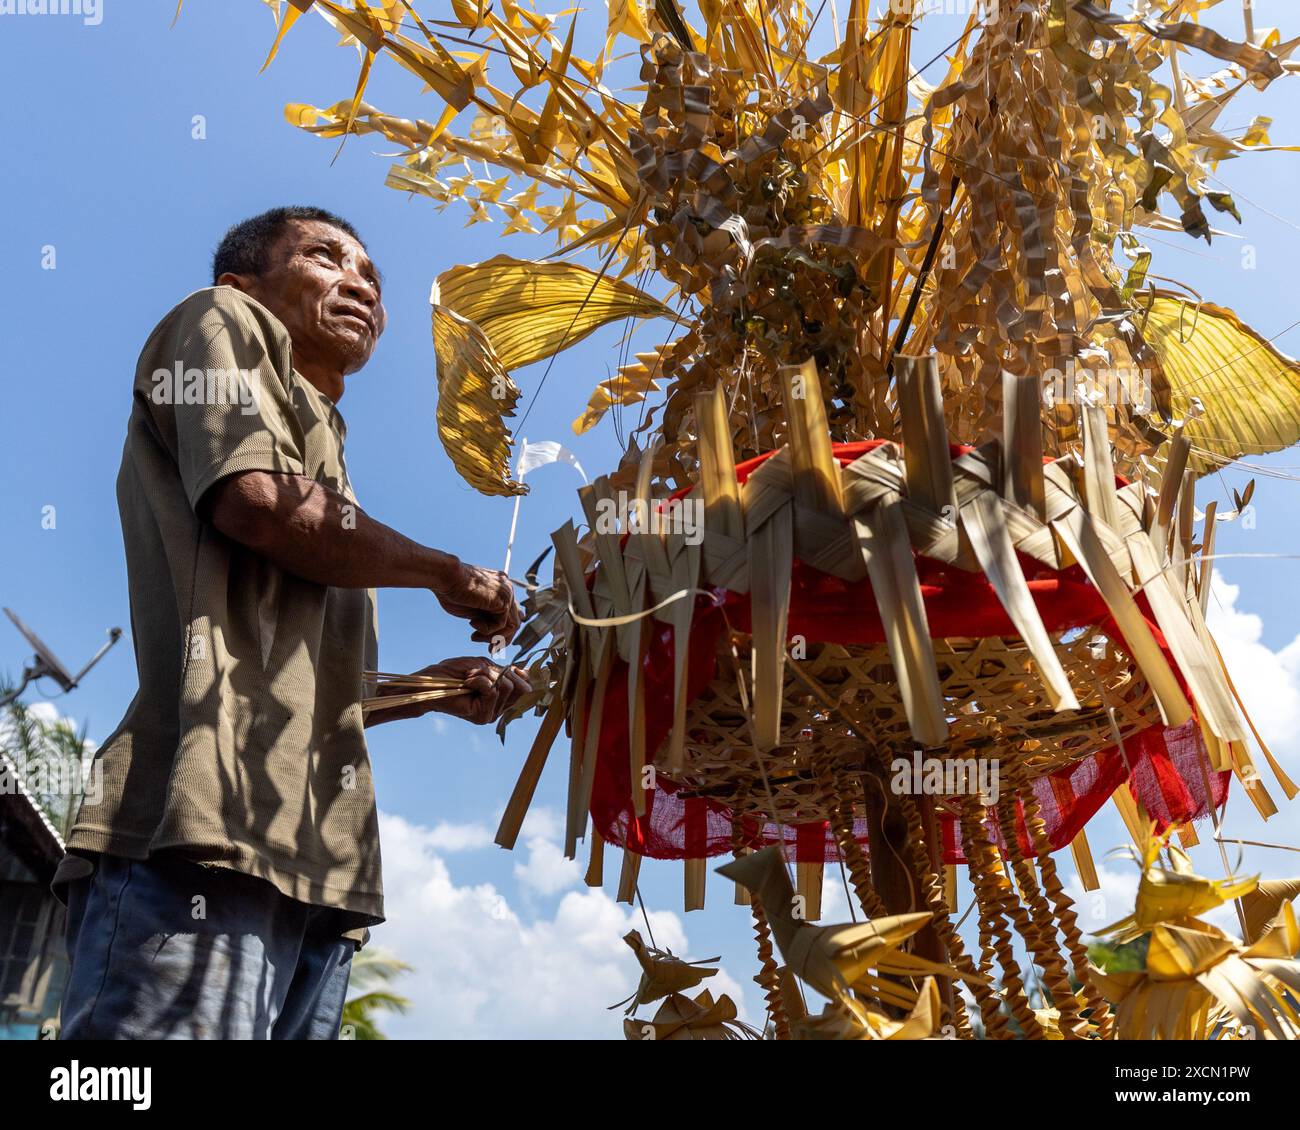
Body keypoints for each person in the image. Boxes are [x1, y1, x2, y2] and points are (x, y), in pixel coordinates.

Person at [52, 205, 529, 1039]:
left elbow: (301, 684)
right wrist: (445, 573)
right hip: (199, 836)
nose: (362, 286)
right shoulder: (218, 318)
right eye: (325, 258)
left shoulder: (329, 451)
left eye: (373, 278)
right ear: (246, 284)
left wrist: (435, 691)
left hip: (315, 876)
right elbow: (259, 505)